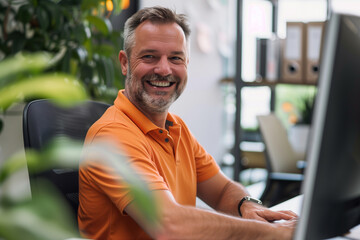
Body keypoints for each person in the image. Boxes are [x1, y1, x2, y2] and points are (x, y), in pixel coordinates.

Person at [78, 6, 297, 240]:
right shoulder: (112, 136)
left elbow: (222, 191)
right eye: (149, 56)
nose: (164, 69)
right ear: (124, 63)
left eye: (175, 58)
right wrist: (271, 233)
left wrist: (247, 205)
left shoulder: (175, 128)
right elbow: (169, 224)